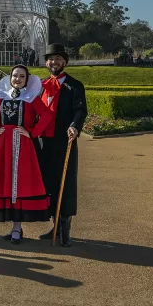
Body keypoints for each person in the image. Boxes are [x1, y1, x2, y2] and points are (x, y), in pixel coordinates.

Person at [0, 65, 54, 244]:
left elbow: (47, 115)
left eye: (22, 76)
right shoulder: (0, 98)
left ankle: (17, 227)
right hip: (2, 145)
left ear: (27, 80)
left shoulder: (31, 99)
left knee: (20, 183)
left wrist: (32, 133)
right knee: (5, 181)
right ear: (10, 78)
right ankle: (15, 227)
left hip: (24, 146)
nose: (18, 79)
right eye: (15, 76)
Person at [36, 43, 88, 247]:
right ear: (46, 62)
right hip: (43, 141)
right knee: (47, 182)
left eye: (58, 58)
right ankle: (54, 224)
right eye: (50, 58)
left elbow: (80, 110)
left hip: (64, 139)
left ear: (64, 62)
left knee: (64, 183)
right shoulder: (40, 85)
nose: (54, 62)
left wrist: (75, 126)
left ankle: (65, 228)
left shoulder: (75, 85)